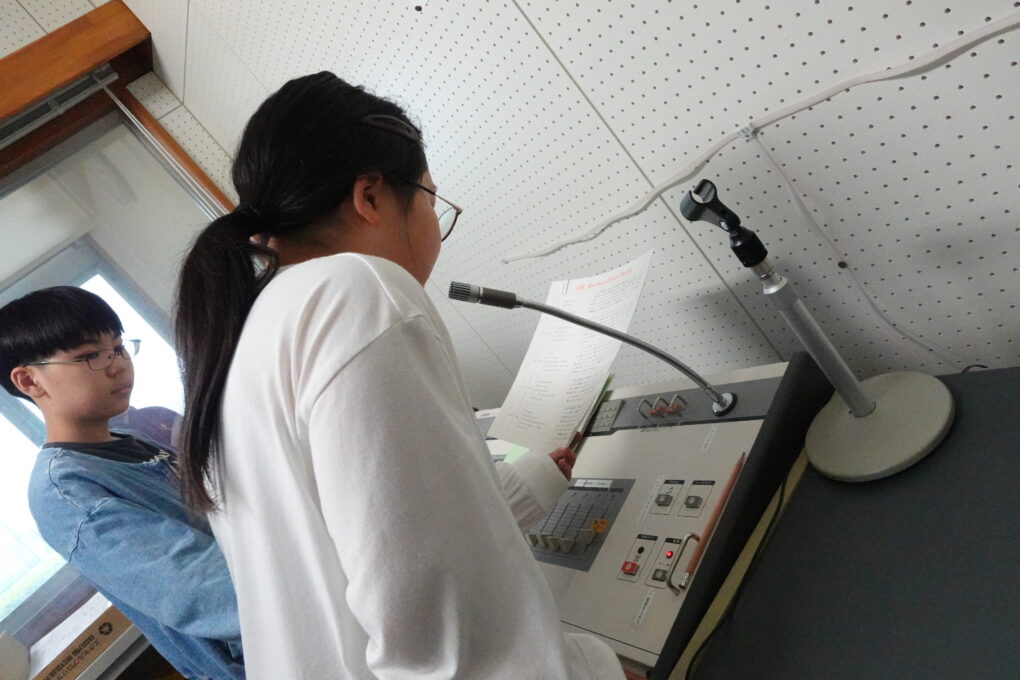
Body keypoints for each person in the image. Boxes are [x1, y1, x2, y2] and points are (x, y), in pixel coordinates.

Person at [174, 71, 625, 679]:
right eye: (433, 202)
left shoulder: (242, 340)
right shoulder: (355, 289)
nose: (435, 225)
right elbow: (453, 642)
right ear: (370, 195)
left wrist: (530, 480)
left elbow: (370, 544)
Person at [0, 286, 245, 680]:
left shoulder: (133, 441)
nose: (117, 365)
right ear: (29, 380)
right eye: (90, 356)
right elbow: (202, 592)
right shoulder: (64, 491)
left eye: (117, 347)